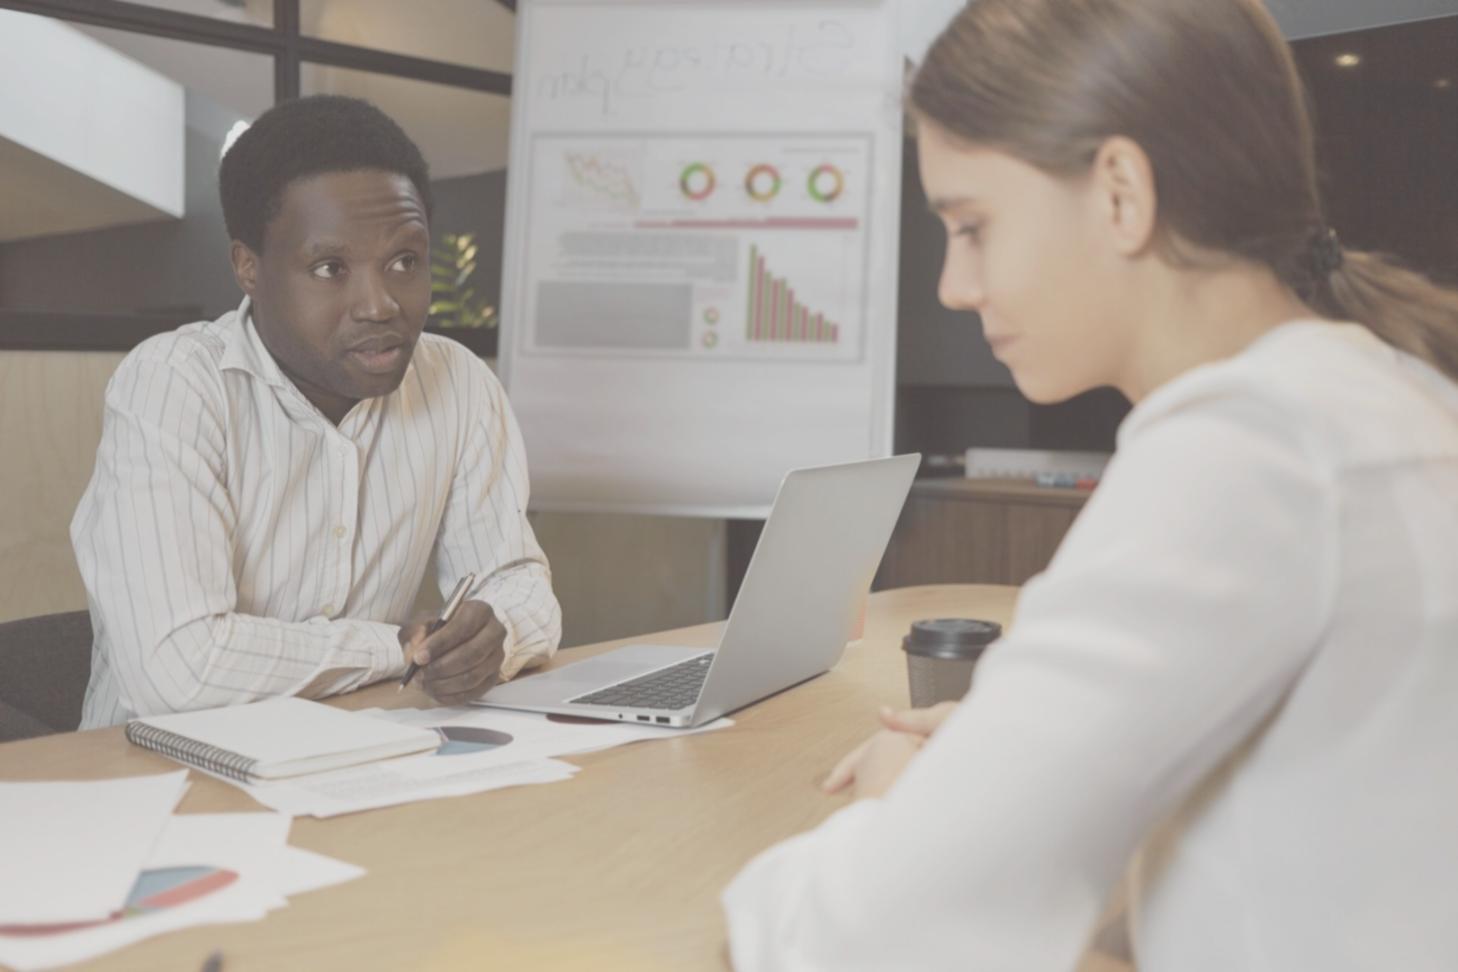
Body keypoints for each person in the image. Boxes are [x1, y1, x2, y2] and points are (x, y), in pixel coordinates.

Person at [722, 1, 1458, 968]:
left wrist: (900, 801)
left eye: (973, 225)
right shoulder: (1382, 395)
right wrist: (1015, 754)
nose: (955, 283)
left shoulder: (1243, 452)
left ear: (1119, 191)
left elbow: (870, 927)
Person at [72, 96, 561, 729]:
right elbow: (178, 671)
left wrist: (498, 630)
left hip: (355, 760)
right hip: (154, 787)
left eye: (405, 261)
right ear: (248, 267)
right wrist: (395, 646)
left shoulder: (457, 381)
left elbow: (520, 581)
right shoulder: (173, 385)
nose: (380, 304)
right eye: (331, 268)